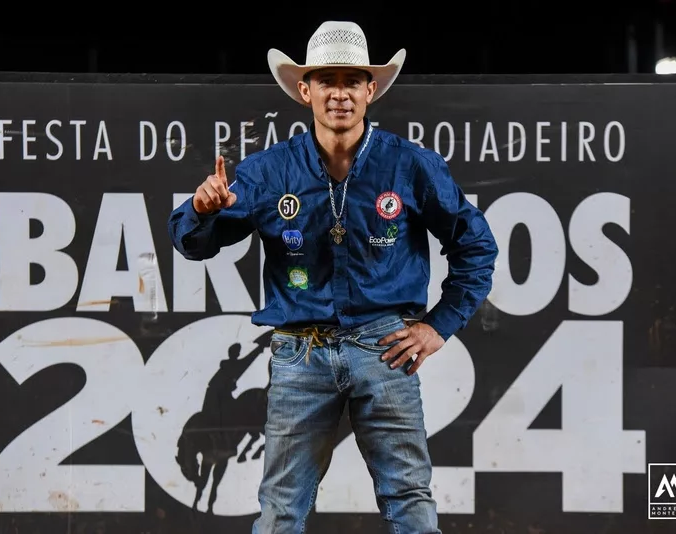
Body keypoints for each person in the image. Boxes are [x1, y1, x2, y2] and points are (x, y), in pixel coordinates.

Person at [168, 20, 498, 534]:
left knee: (409, 498)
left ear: (371, 90)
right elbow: (194, 243)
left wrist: (437, 326)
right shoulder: (270, 170)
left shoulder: (410, 165)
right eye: (327, 81)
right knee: (281, 508)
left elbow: (475, 244)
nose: (339, 93)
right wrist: (201, 209)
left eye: (352, 81)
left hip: (384, 349)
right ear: (305, 91)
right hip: (300, 354)